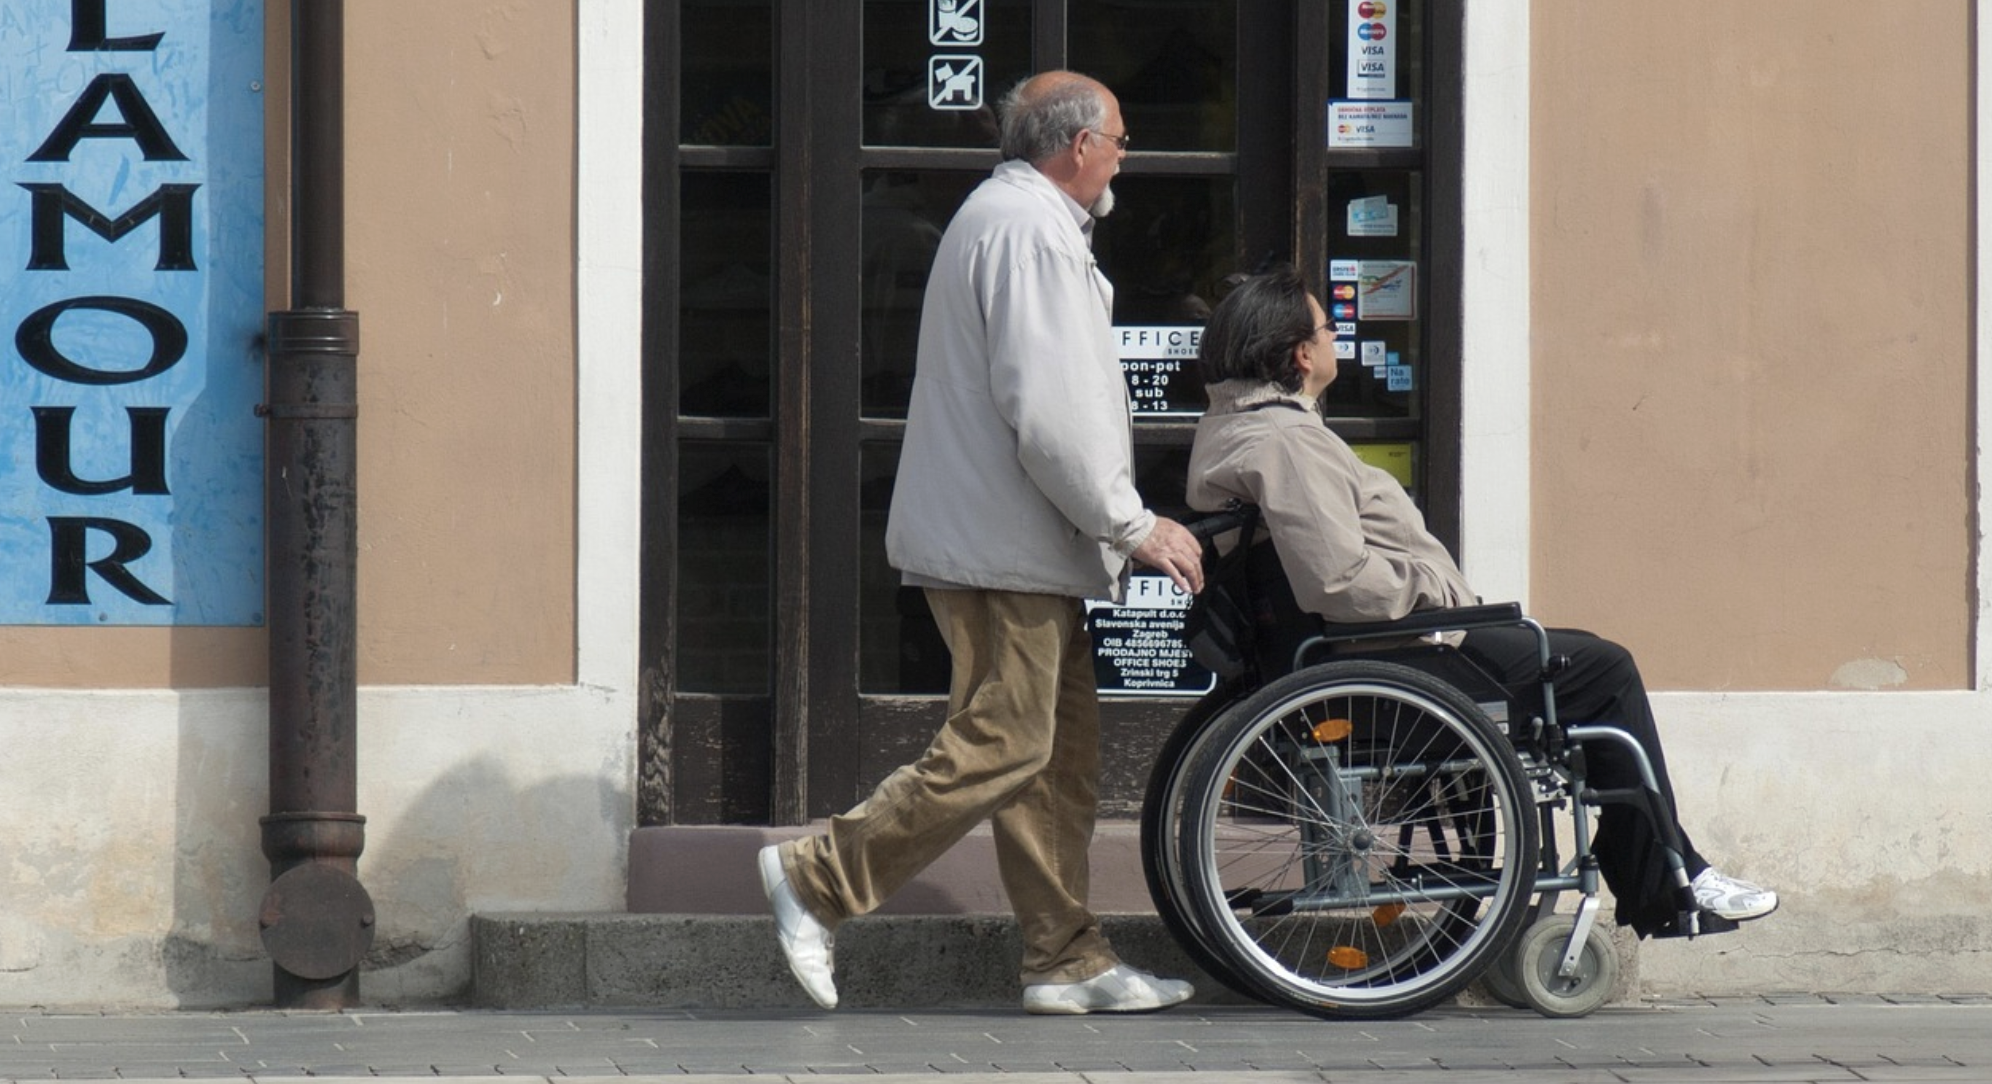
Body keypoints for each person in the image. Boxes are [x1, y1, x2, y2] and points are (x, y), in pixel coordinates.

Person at [758, 71, 1207, 1014]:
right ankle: (817, 876)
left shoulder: (1017, 222)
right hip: (1005, 546)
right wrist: (1132, 522)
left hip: (1016, 543)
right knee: (1007, 743)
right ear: (1077, 145)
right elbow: (1051, 413)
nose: (1126, 156)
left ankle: (1065, 959)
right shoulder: (1029, 231)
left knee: (1056, 756)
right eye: (1120, 140)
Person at [1184, 266, 1778, 939]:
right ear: (1300, 354)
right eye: (1327, 328)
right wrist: (1438, 595)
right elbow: (1338, 582)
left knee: (1577, 659)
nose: (1334, 339)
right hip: (1392, 653)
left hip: (1370, 651)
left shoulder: (1239, 429)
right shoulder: (1287, 442)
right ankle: (1666, 871)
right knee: (1602, 670)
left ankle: (1659, 862)